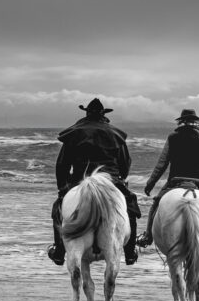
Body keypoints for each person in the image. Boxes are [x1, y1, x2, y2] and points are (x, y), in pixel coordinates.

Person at [47, 98, 142, 266]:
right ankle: (130, 251)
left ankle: (59, 251)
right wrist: (120, 180)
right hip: (110, 180)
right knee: (130, 206)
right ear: (103, 115)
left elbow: (62, 165)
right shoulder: (115, 135)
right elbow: (125, 164)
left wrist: (62, 188)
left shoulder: (74, 133)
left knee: (59, 208)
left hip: (80, 180)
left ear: (86, 113)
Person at [139, 108, 199, 251]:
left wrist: (150, 184)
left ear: (181, 122)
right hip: (198, 183)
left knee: (156, 204)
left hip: (175, 181)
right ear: (196, 122)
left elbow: (162, 164)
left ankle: (148, 236)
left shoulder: (173, 137)